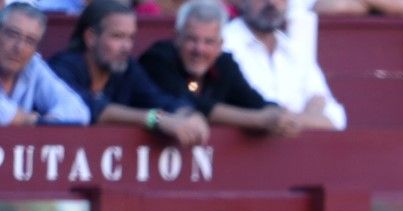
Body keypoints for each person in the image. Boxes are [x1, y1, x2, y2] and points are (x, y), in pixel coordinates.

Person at [49, 0, 211, 145]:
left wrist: (189, 114)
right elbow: (91, 109)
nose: (126, 46)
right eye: (118, 37)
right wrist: (156, 119)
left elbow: (159, 99)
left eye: (130, 38)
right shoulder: (63, 67)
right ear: (91, 37)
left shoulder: (127, 69)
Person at [139, 0, 301, 134]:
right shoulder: (157, 59)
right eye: (191, 40)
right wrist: (259, 120)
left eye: (208, 42)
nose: (199, 49)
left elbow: (253, 101)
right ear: (178, 38)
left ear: (220, 45)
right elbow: (190, 104)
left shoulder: (224, 63)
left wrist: (277, 114)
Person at [224, 0, 346, 129]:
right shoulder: (224, 46)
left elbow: (336, 118)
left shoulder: (294, 50)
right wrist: (309, 116)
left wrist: (293, 120)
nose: (271, 3)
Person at [0, 1, 90, 125]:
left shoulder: (33, 65)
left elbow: (78, 111)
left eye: (30, 41)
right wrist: (32, 120)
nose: (19, 47)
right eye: (12, 35)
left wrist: (45, 122)